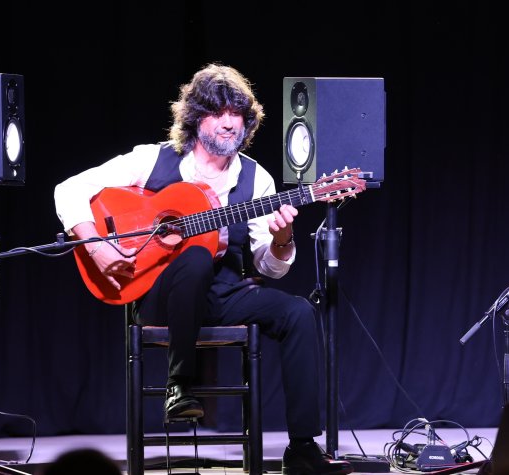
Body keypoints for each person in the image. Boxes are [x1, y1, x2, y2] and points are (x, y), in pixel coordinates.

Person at [54, 63, 352, 475]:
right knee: (194, 256)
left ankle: (302, 447)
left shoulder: (256, 179)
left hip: (224, 295)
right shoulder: (152, 159)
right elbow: (68, 189)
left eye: (238, 115)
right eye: (219, 112)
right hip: (157, 294)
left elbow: (271, 265)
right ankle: (180, 386)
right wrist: (98, 245)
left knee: (298, 312)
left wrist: (283, 241)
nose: (230, 124)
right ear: (195, 118)